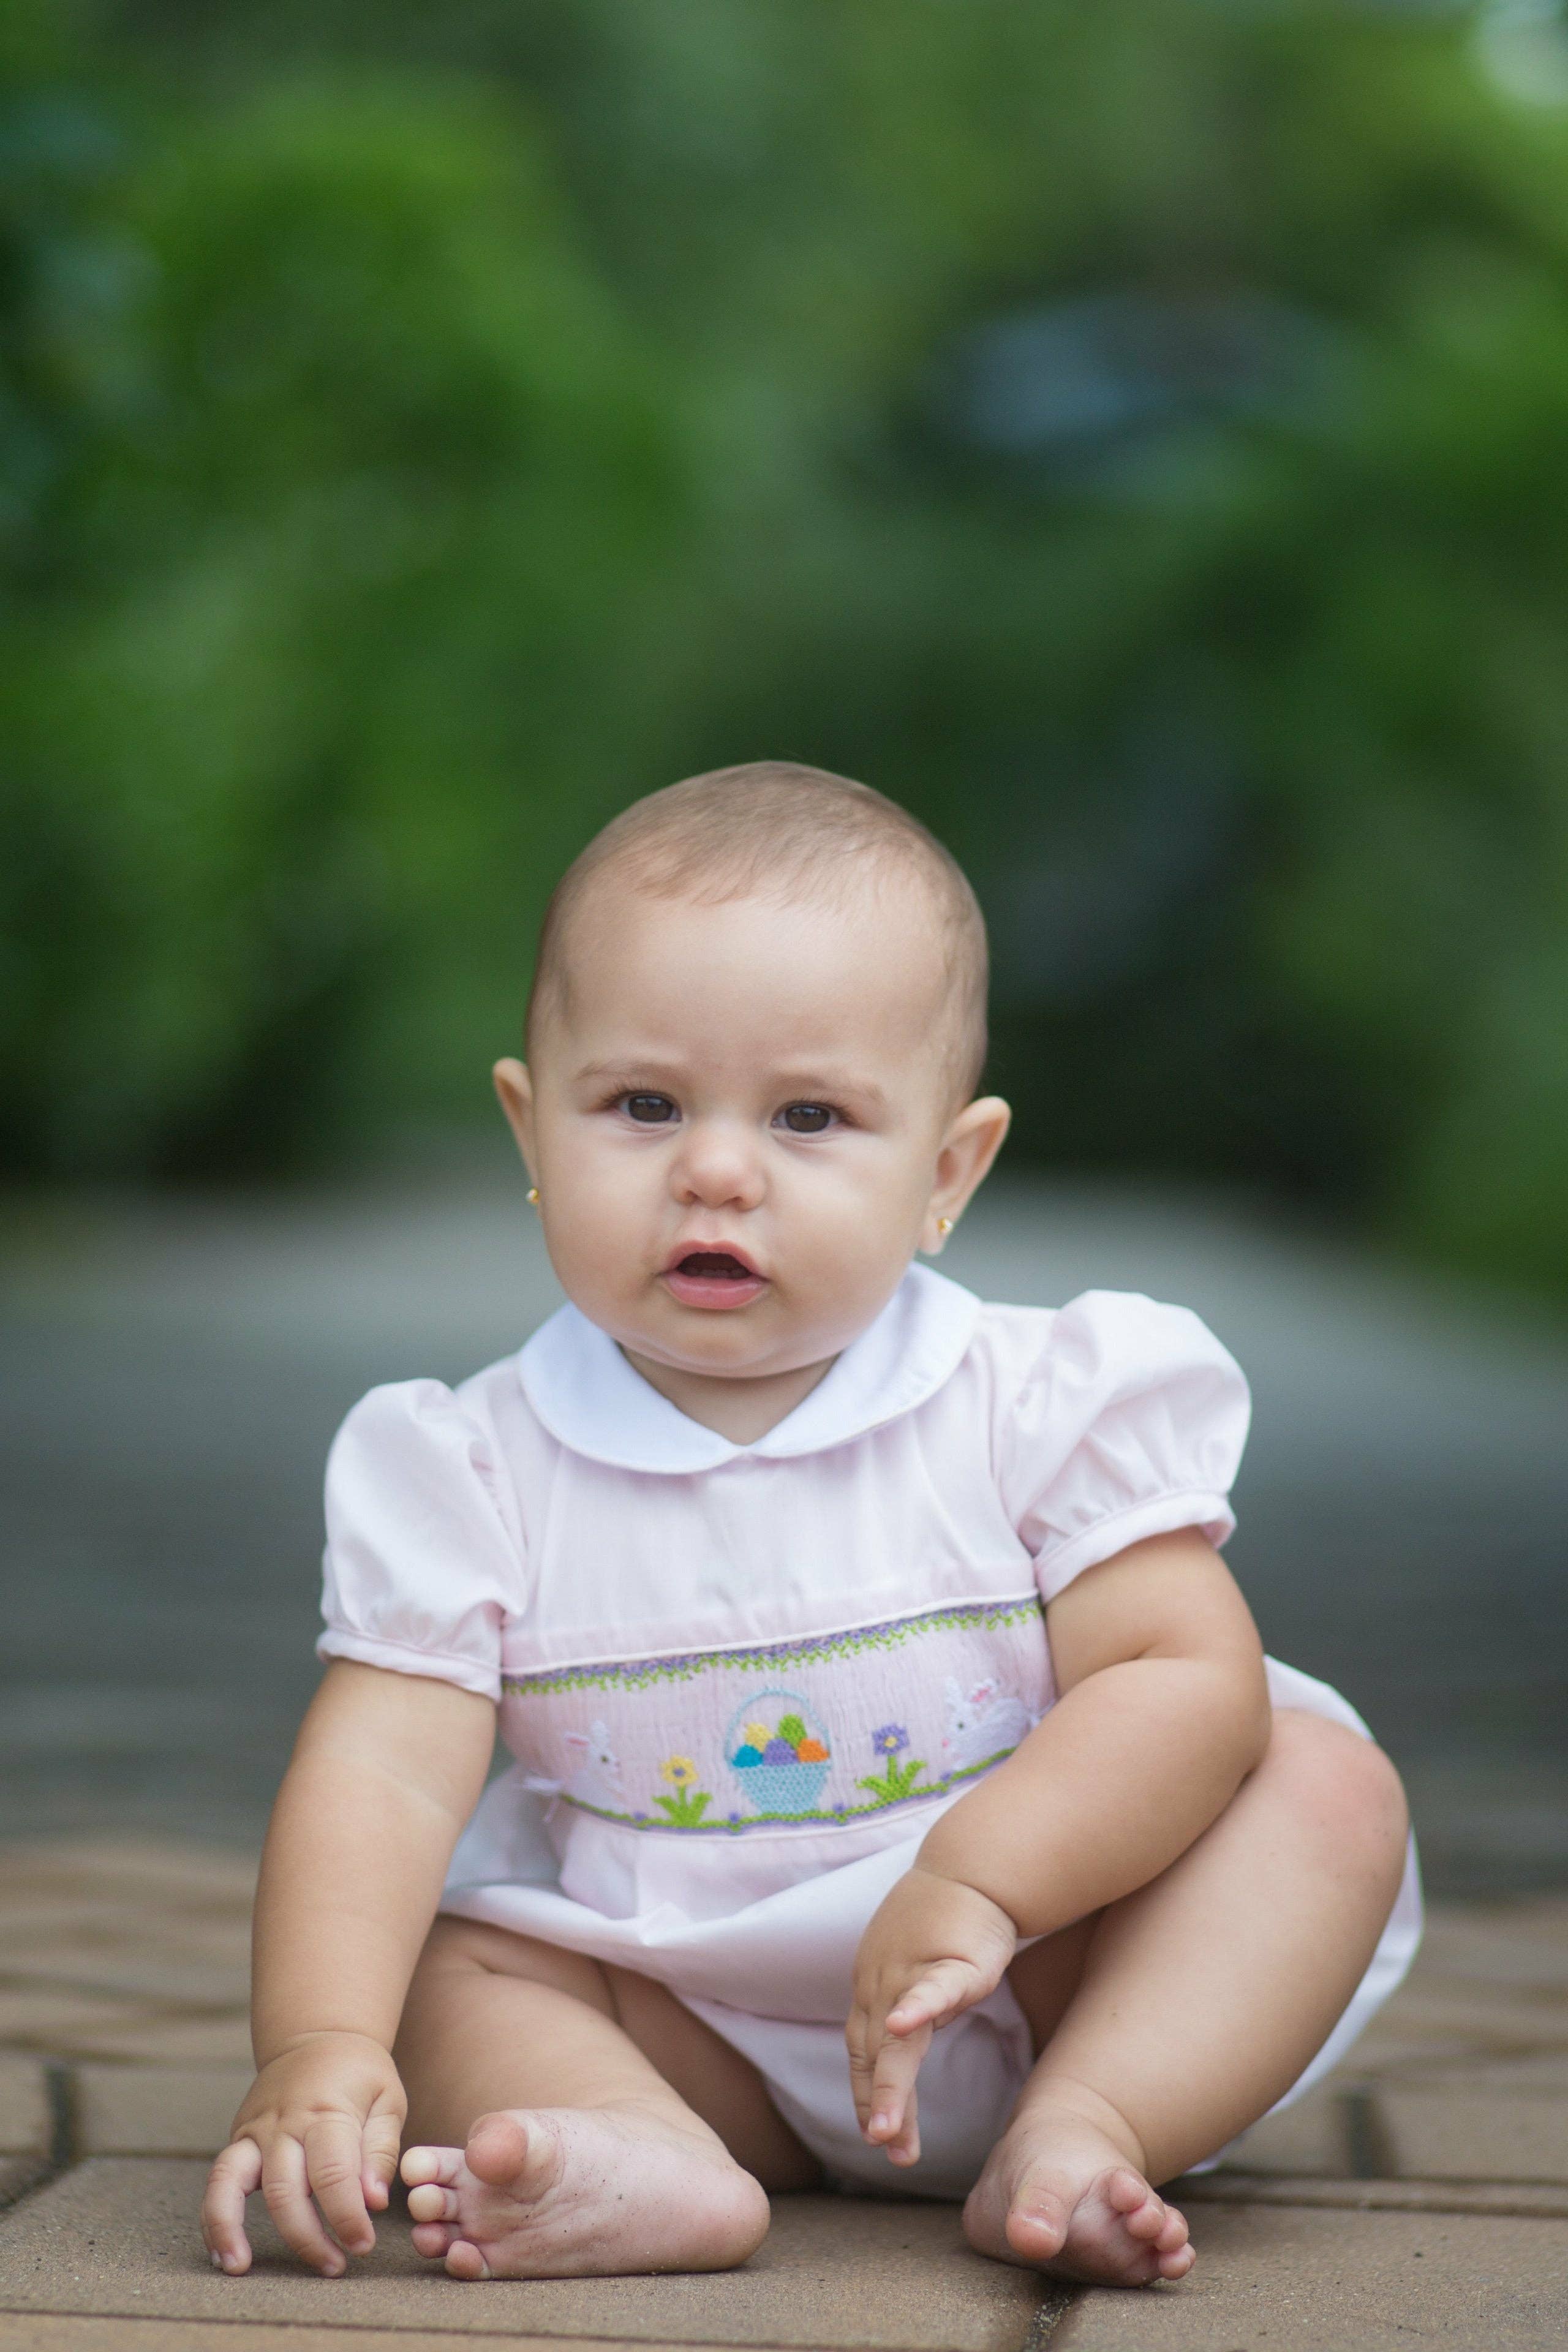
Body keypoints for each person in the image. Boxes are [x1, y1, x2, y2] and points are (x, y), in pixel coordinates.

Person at [200, 761, 1420, 2291]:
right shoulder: (469, 1465)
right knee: (452, 1960)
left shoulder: (1036, 1401)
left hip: (1044, 1964)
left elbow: (1183, 1678)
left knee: (1317, 1788)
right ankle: (632, 2149)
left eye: (809, 1116)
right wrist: (316, 2041)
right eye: (641, 1105)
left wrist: (983, 1884)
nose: (715, 1167)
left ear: (945, 1172)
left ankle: (1088, 2126)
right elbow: (379, 1770)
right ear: (530, 1131)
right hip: (681, 2015)